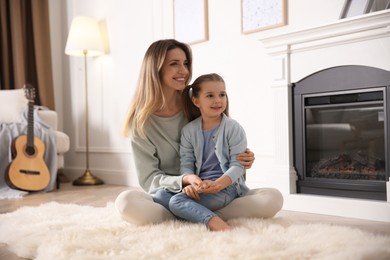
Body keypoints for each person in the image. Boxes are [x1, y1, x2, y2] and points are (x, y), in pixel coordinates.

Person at [115, 39, 283, 226]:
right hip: (174, 192)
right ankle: (195, 212)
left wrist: (242, 157)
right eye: (174, 64)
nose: (184, 71)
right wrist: (185, 180)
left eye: (185, 63)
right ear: (156, 70)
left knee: (272, 198)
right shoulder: (140, 122)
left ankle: (185, 214)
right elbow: (149, 180)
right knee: (126, 202)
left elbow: (223, 141)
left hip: (214, 190)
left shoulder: (198, 99)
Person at [168, 73, 250, 231]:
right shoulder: (189, 131)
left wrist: (217, 185)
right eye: (210, 96)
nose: (218, 100)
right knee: (161, 196)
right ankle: (199, 211)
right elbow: (186, 164)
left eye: (222, 94)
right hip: (201, 186)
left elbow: (238, 166)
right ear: (196, 101)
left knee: (176, 202)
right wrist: (192, 183)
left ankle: (221, 226)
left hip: (227, 186)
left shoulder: (233, 128)